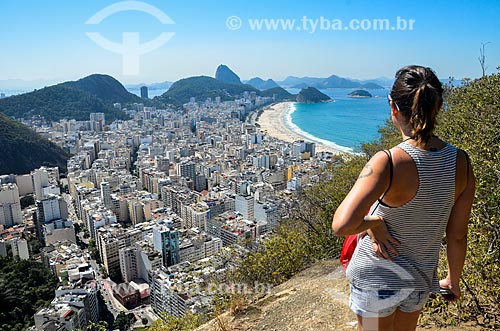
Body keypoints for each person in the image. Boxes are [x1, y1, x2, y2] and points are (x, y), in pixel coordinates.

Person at [332, 65, 475, 331]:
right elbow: (457, 234)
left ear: (393, 107)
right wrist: (453, 280)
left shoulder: (388, 162)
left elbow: (342, 225)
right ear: (439, 106)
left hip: (376, 279)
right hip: (418, 279)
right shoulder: (461, 162)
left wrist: (374, 223)